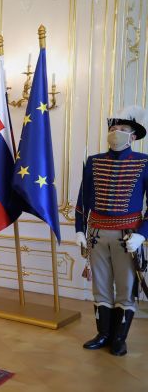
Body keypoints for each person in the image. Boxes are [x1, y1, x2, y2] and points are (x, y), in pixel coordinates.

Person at [75, 105, 148, 356]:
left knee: (125, 288)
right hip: (96, 234)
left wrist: (142, 234)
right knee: (101, 287)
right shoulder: (94, 162)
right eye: (113, 128)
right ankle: (103, 334)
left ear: (133, 136)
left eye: (122, 128)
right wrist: (79, 230)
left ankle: (119, 338)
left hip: (128, 236)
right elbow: (83, 199)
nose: (116, 132)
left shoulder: (144, 162)